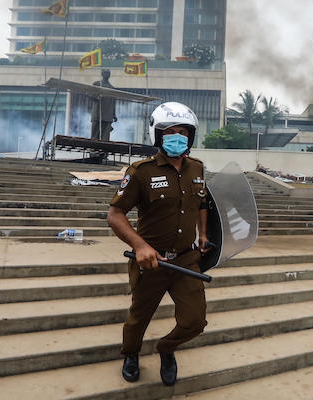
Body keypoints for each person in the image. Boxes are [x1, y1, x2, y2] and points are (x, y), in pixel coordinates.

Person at [107, 102, 209, 386]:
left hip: (187, 259)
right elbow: (115, 215)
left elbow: (201, 203)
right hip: (151, 262)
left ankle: (166, 348)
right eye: (170, 132)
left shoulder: (198, 168)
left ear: (191, 136)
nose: (178, 137)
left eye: (184, 132)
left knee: (195, 322)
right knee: (139, 317)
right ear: (157, 135)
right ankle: (130, 354)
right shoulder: (141, 171)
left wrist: (203, 234)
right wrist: (140, 246)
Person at [91, 69, 117, 141]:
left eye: (108, 73)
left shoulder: (112, 88)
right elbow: (89, 94)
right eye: (105, 73)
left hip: (108, 116)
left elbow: (113, 102)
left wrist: (114, 115)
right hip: (97, 114)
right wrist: (96, 97)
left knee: (105, 137)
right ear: (102, 74)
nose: (107, 74)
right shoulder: (97, 84)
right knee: (95, 136)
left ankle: (104, 151)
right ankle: (93, 150)